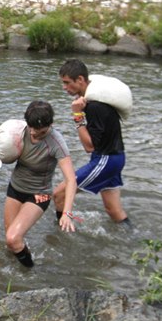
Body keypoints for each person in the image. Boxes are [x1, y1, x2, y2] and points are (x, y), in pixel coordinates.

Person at [0, 101, 77, 268]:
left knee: (13, 238)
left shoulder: (56, 142)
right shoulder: (18, 131)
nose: (34, 134)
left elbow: (71, 179)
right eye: (31, 128)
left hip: (38, 194)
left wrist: (67, 212)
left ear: (50, 125)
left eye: (40, 131)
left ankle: (30, 273)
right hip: (15, 188)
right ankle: (13, 275)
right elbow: (1, 151)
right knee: (11, 241)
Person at [53, 59, 130, 225]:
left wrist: (77, 115)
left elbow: (89, 146)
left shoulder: (94, 106)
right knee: (113, 210)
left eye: (67, 83)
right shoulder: (94, 100)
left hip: (106, 160)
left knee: (59, 194)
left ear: (80, 80)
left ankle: (60, 235)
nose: (64, 88)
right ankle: (134, 239)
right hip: (116, 157)